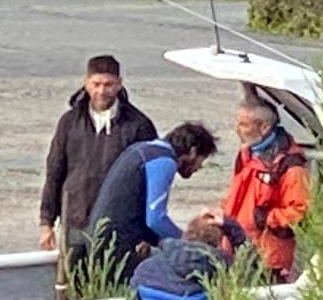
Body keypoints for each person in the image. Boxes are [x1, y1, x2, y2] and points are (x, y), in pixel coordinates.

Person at [74, 118, 218, 287]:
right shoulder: (164, 161)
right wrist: (185, 243)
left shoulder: (142, 149)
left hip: (99, 236)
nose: (199, 168)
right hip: (117, 244)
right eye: (202, 160)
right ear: (193, 152)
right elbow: (156, 219)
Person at [38, 55, 157, 254]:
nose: (102, 91)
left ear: (119, 84)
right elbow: (54, 172)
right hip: (75, 222)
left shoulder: (139, 125)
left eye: (109, 84)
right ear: (86, 83)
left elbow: (148, 184)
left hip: (118, 227)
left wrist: (146, 234)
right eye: (96, 84)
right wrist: (45, 222)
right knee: (73, 282)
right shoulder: (69, 122)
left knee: (110, 283)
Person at [196, 92, 315, 280]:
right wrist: (222, 215)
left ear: (265, 127)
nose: (237, 129)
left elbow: (300, 213)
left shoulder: (290, 167)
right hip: (237, 250)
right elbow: (237, 196)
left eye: (244, 124)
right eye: (238, 122)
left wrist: (266, 218)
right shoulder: (248, 155)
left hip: (267, 259)